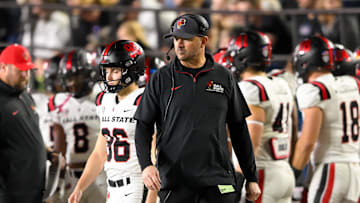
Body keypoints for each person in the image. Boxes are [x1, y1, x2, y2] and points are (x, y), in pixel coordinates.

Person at [134, 13, 261, 203]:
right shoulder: (161, 78)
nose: (179, 44)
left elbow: (239, 130)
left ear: (203, 41)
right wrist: (146, 165)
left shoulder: (224, 76)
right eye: (176, 39)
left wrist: (251, 177)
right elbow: (143, 125)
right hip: (176, 182)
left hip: (218, 181)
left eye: (186, 39)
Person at [68, 40, 146, 203]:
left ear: (132, 69)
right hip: (112, 189)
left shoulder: (143, 100)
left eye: (115, 70)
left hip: (137, 186)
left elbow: (155, 155)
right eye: (107, 70)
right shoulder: (105, 100)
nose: (108, 76)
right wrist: (80, 188)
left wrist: (151, 198)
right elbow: (99, 154)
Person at [225, 31, 296, 203]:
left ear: (242, 58)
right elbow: (294, 134)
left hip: (262, 174)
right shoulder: (281, 83)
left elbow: (250, 144)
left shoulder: (250, 88)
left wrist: (238, 181)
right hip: (284, 170)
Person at [291, 36, 360, 203]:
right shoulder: (352, 83)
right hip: (355, 169)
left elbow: (307, 143)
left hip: (331, 168)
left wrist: (293, 174)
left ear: (304, 62)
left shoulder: (314, 89)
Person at [49, 49, 106, 203]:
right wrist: (57, 179)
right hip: (71, 173)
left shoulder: (104, 95)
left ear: (89, 74)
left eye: (77, 77)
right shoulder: (59, 101)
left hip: (100, 173)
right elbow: (59, 147)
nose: (72, 83)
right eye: (69, 79)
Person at [0, 44, 46, 202]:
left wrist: (47, 152)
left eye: (27, 70)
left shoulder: (24, 95)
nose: (26, 75)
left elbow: (25, 136)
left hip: (34, 193)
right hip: (13, 197)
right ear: (3, 67)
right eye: (20, 70)